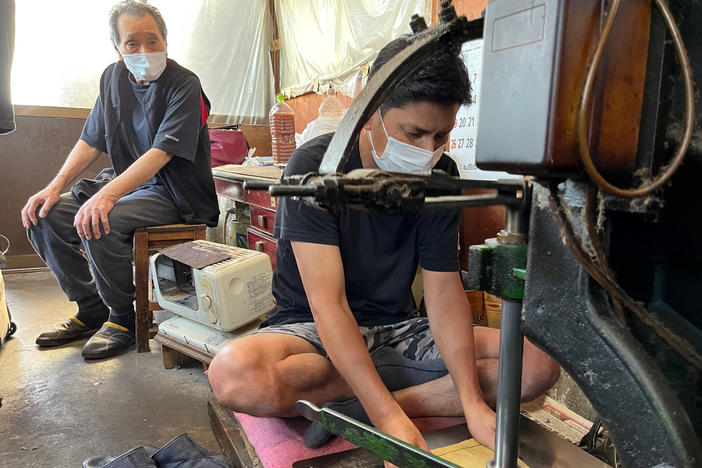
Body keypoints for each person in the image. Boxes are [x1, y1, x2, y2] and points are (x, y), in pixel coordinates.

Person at [207, 36, 560, 455]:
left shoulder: (441, 175)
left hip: (397, 329)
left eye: (441, 135)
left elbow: (443, 289)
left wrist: (470, 402)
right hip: (314, 330)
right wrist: (389, 421)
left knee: (537, 366)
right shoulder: (316, 169)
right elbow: (328, 304)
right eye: (414, 133)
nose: (428, 151)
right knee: (235, 375)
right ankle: (385, 398)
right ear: (368, 110)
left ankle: (364, 404)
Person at [20, 1, 218, 359]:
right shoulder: (112, 79)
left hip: (175, 192)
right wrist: (54, 186)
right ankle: (90, 307)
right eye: (132, 43)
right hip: (129, 187)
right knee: (45, 215)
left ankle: (122, 317)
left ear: (166, 41)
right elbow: (90, 140)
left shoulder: (184, 84)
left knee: (101, 220)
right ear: (117, 48)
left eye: (153, 41)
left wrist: (108, 196)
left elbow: (162, 153)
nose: (145, 51)